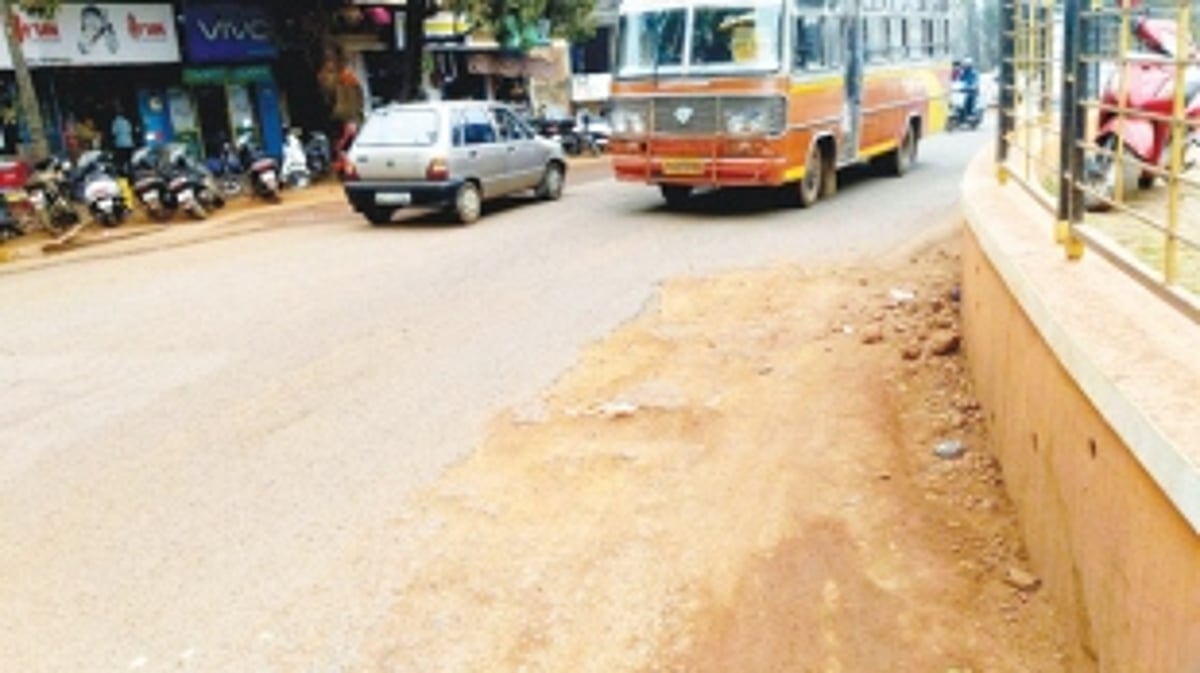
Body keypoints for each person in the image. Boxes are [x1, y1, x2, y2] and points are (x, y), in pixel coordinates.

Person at [110, 110, 134, 176]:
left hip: (120, 144)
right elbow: (130, 131)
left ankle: (122, 175)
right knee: (128, 161)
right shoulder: (126, 121)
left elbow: (113, 132)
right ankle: (130, 174)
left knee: (121, 162)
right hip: (129, 143)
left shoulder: (115, 122)